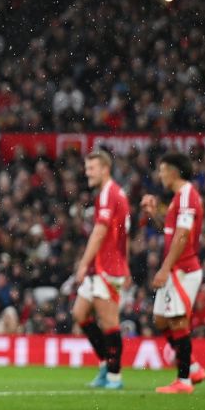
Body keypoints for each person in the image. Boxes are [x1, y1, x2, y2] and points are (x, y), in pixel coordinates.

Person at [141, 151, 205, 394]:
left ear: (173, 171)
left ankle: (184, 381)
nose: (159, 175)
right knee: (160, 319)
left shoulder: (188, 195)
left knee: (178, 321)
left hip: (183, 269)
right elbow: (170, 230)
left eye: (161, 169)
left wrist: (166, 267)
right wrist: (154, 214)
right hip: (176, 268)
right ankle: (193, 367)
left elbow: (183, 235)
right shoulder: (179, 197)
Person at [71, 150, 130, 390]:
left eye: (91, 168)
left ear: (105, 169)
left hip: (106, 266)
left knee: (109, 321)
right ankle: (107, 363)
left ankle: (114, 375)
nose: (87, 172)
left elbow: (100, 232)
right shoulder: (112, 193)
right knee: (80, 313)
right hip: (103, 264)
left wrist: (84, 263)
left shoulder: (109, 194)